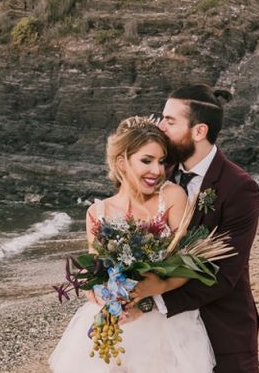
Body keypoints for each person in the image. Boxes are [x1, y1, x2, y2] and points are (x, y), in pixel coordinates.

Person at [48, 116, 215, 373]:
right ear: (122, 162)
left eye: (161, 161)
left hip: (165, 323)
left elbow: (187, 265)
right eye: (146, 161)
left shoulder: (171, 197)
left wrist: (153, 290)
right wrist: (99, 296)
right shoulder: (97, 211)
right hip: (117, 322)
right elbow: (96, 274)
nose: (157, 171)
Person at [130, 83, 259, 373]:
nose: (160, 127)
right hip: (161, 336)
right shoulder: (159, 172)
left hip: (220, 328)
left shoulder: (239, 188)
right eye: (161, 118)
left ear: (199, 131)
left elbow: (225, 275)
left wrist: (154, 301)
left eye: (170, 121)